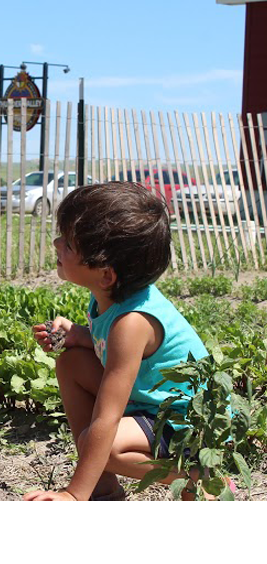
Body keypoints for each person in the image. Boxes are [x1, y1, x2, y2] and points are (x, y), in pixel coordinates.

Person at [25, 181, 208, 501]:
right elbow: (107, 347)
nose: (56, 243)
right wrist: (79, 335)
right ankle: (104, 488)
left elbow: (107, 416)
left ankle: (195, 480)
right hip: (149, 402)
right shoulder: (111, 299)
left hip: (183, 422)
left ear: (106, 274)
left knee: (101, 446)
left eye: (68, 243)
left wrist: (72, 495)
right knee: (70, 360)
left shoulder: (132, 323)